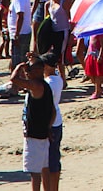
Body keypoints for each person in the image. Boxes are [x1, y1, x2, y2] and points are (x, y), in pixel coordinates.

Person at [10, 58, 55, 191]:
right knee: (44, 167)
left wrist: (18, 67)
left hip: (34, 135)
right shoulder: (45, 85)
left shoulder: (36, 85)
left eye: (30, 69)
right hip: (42, 133)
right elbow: (53, 111)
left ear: (39, 71)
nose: (27, 72)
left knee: (35, 172)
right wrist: (48, 127)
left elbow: (14, 80)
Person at [39, 52, 64, 191]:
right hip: (57, 122)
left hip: (49, 124)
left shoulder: (48, 83)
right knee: (53, 160)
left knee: (47, 163)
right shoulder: (57, 79)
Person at [7, 0, 32, 68]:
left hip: (20, 33)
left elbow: (20, 16)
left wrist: (16, 34)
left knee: (18, 61)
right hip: (23, 32)